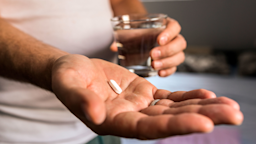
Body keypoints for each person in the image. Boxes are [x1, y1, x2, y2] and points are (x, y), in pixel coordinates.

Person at [0, 0, 243, 143]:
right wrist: (52, 65)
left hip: (109, 122)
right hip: (21, 134)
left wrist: (144, 33)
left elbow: (121, 1)